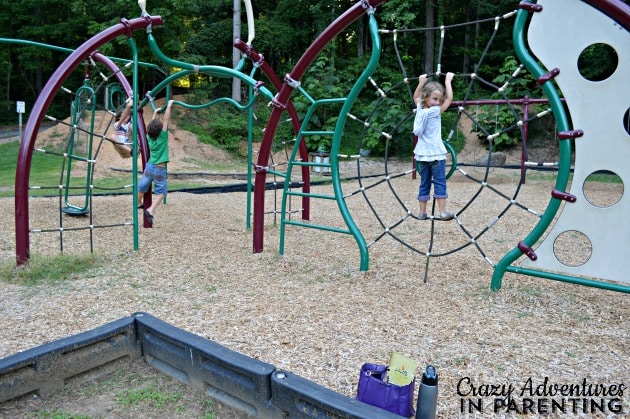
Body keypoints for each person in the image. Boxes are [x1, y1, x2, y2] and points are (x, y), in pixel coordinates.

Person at [412, 72, 455, 221]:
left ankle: (422, 213)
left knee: (424, 183)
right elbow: (450, 99)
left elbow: (415, 97)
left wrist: (420, 82)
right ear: (426, 97)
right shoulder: (434, 112)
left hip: (422, 154)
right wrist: (448, 81)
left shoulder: (420, 109)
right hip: (436, 154)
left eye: (439, 100)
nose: (438, 102)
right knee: (440, 183)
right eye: (435, 99)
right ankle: (442, 212)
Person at [137, 99, 174, 226]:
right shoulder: (163, 137)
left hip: (149, 167)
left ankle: (138, 202)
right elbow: (166, 119)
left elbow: (154, 124)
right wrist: (169, 105)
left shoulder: (148, 137)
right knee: (161, 192)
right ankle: (151, 209)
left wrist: (154, 112)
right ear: (160, 130)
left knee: (142, 186)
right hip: (159, 169)